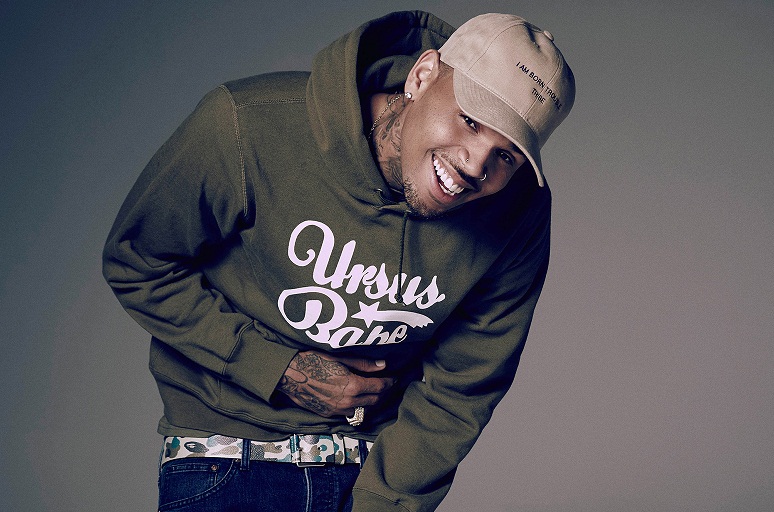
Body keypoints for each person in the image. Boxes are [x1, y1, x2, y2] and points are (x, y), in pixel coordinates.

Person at [103, 10, 575, 512]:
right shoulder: (249, 125)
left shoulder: (518, 211)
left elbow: (464, 387)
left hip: (371, 473)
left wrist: (385, 500)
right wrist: (278, 368)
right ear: (422, 75)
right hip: (227, 460)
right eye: (471, 121)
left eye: (507, 155)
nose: (476, 165)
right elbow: (138, 263)